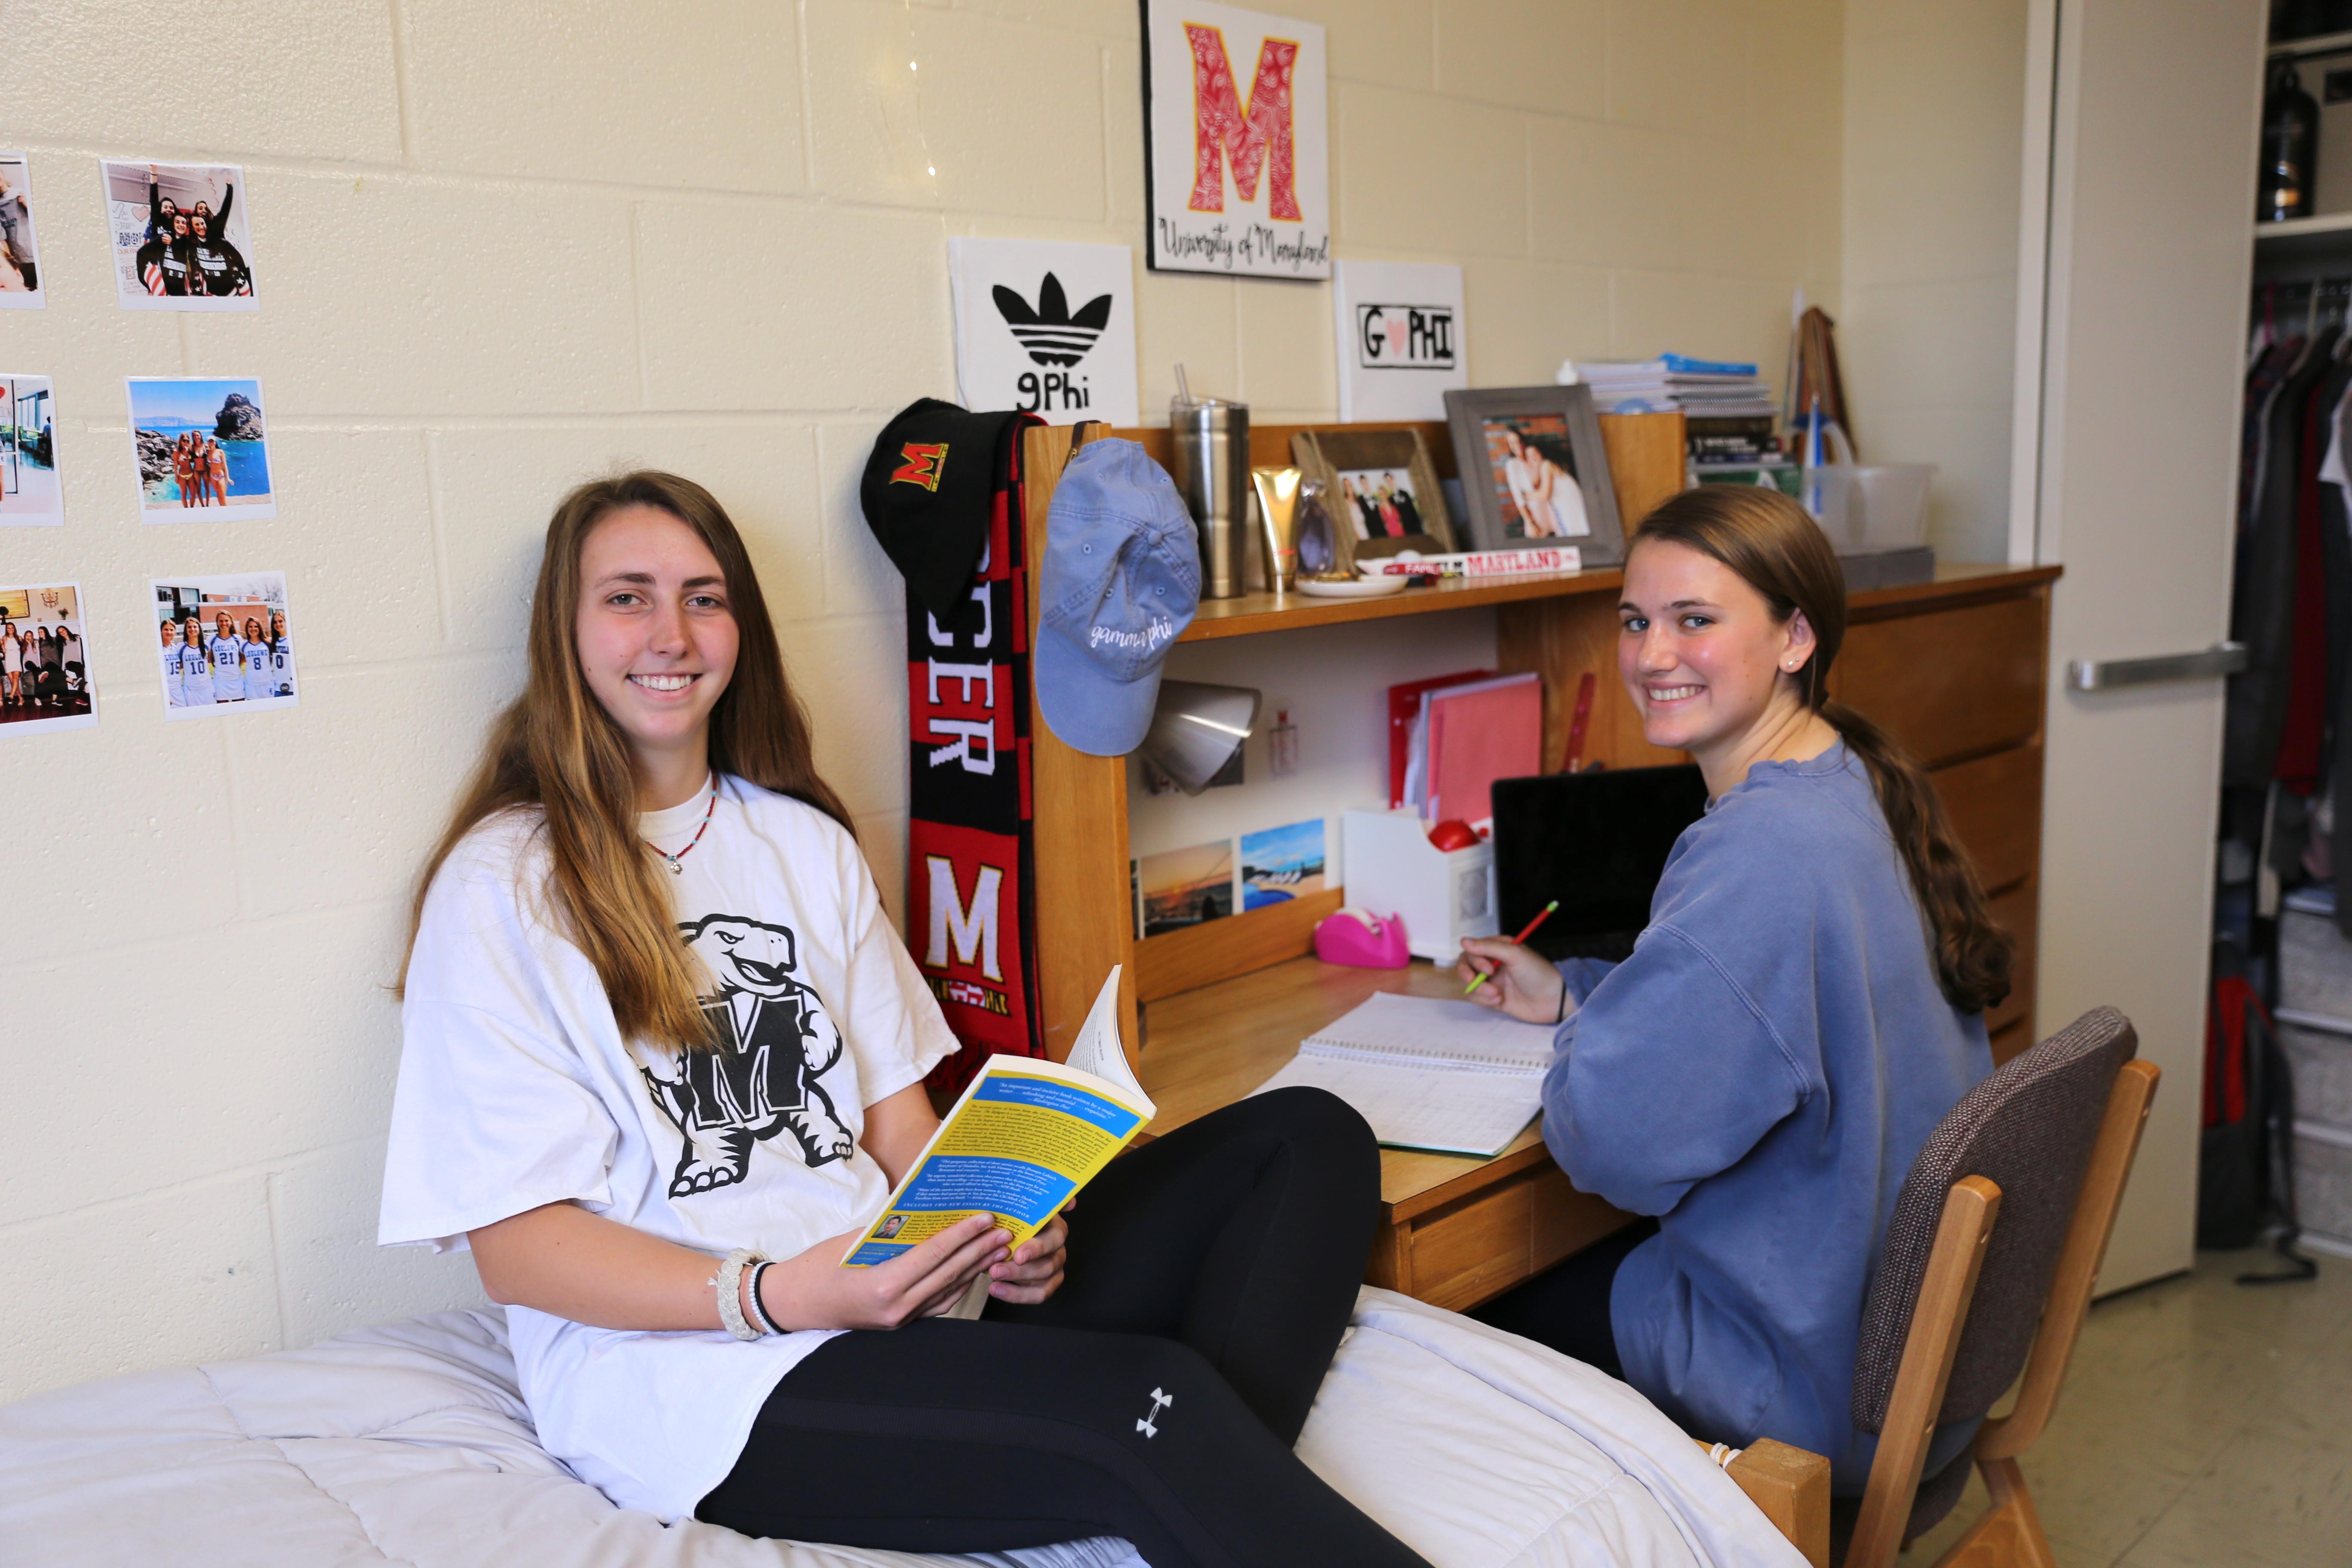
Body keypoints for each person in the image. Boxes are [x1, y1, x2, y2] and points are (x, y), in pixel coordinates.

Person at [378, 472, 1427, 1568]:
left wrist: (1002, 1220)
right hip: (701, 1374)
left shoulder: (799, 842)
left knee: (1309, 1140)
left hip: (904, 1290)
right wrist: (784, 1292)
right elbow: (518, 1252)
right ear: (566, 630)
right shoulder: (504, 884)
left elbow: (895, 1130)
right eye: (627, 597)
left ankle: (1196, 1489)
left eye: (704, 596)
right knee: (1149, 1399)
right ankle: (1178, 1466)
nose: (672, 633)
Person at [1455, 484, 2009, 1489]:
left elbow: (1607, 1146)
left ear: (1794, 637)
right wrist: (1582, 992)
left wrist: (1590, 1040)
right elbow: (1760, 1006)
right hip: (1919, 1370)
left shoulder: (1756, 853)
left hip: (1800, 1387)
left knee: (1445, 1329)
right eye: (1634, 621)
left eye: (1694, 621)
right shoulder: (1849, 781)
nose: (1650, 655)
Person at [182, 208, 252, 298]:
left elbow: (238, 259)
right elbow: (193, 267)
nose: (201, 227)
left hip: (234, 292)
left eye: (203, 224)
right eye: (197, 224)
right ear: (192, 228)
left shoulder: (221, 242)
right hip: (212, 295)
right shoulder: (192, 245)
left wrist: (246, 276)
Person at [177, 617, 214, 707]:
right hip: (190, 689)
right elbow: (179, 666)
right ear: (186, 630)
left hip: (207, 687)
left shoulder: (206, 645)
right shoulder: (180, 647)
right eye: (189, 627)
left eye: (195, 627)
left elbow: (211, 660)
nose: (192, 629)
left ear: (199, 629)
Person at [207, 612, 244, 701]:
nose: (224, 623)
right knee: (223, 709)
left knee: (240, 707)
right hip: (220, 680)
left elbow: (242, 658)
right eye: (221, 621)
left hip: (236, 679)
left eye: (226, 621)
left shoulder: (238, 639)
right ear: (217, 623)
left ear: (231, 622)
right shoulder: (212, 639)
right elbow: (210, 659)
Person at [241, 616, 272, 700]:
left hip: (267, 682)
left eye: (256, 626)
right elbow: (241, 661)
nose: (253, 629)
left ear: (260, 628)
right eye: (250, 627)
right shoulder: (244, 645)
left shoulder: (268, 643)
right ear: (247, 629)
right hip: (251, 683)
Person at [267, 608, 294, 696]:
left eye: (281, 621)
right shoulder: (272, 642)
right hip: (279, 686)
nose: (278, 624)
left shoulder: (292, 640)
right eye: (275, 622)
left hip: (293, 685)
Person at [160, 619, 186, 707]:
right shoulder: (158, 649)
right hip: (167, 690)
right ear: (161, 631)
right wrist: (164, 694)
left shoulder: (176, 648)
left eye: (172, 630)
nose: (169, 632)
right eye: (166, 630)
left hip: (178, 689)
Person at [2, 620, 20, 708]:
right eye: (9, 628)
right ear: (7, 629)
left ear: (14, 629)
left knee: (16, 678)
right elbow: (2, 646)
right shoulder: (4, 638)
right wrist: (3, 648)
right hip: (9, 661)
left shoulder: (19, 638)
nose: (10, 630)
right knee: (13, 682)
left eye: (12, 628)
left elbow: (29, 643)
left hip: (16, 660)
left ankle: (11, 696)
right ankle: (21, 698)